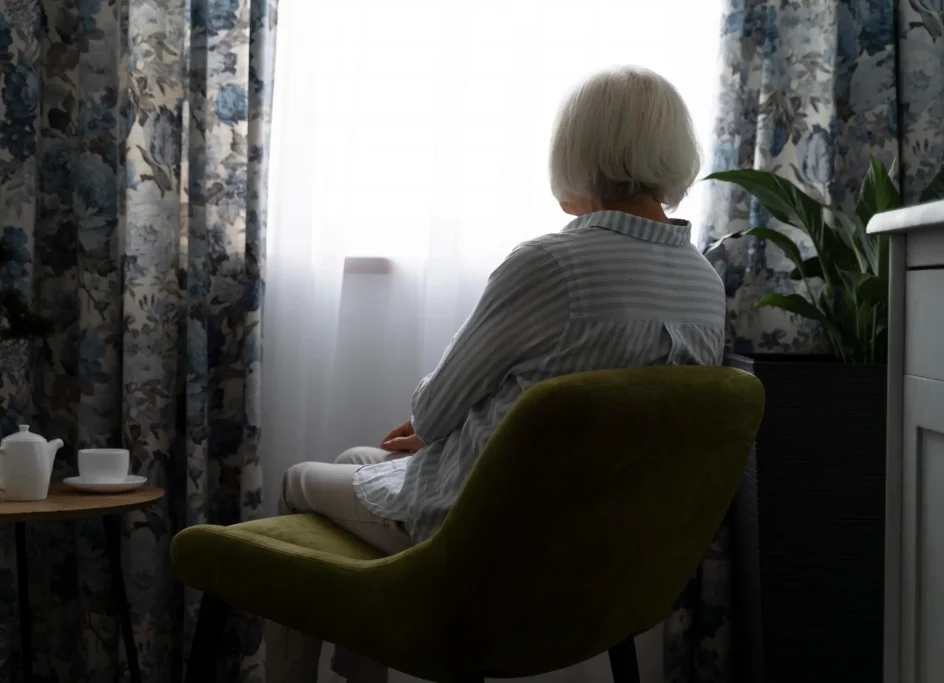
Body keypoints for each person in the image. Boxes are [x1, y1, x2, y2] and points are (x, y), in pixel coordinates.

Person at [266, 65, 727, 683]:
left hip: (493, 544)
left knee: (299, 482)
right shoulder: (706, 284)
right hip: (610, 559)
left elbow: (434, 411)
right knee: (358, 459)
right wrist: (435, 438)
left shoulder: (551, 264)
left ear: (576, 150)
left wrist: (433, 426)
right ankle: (359, 666)